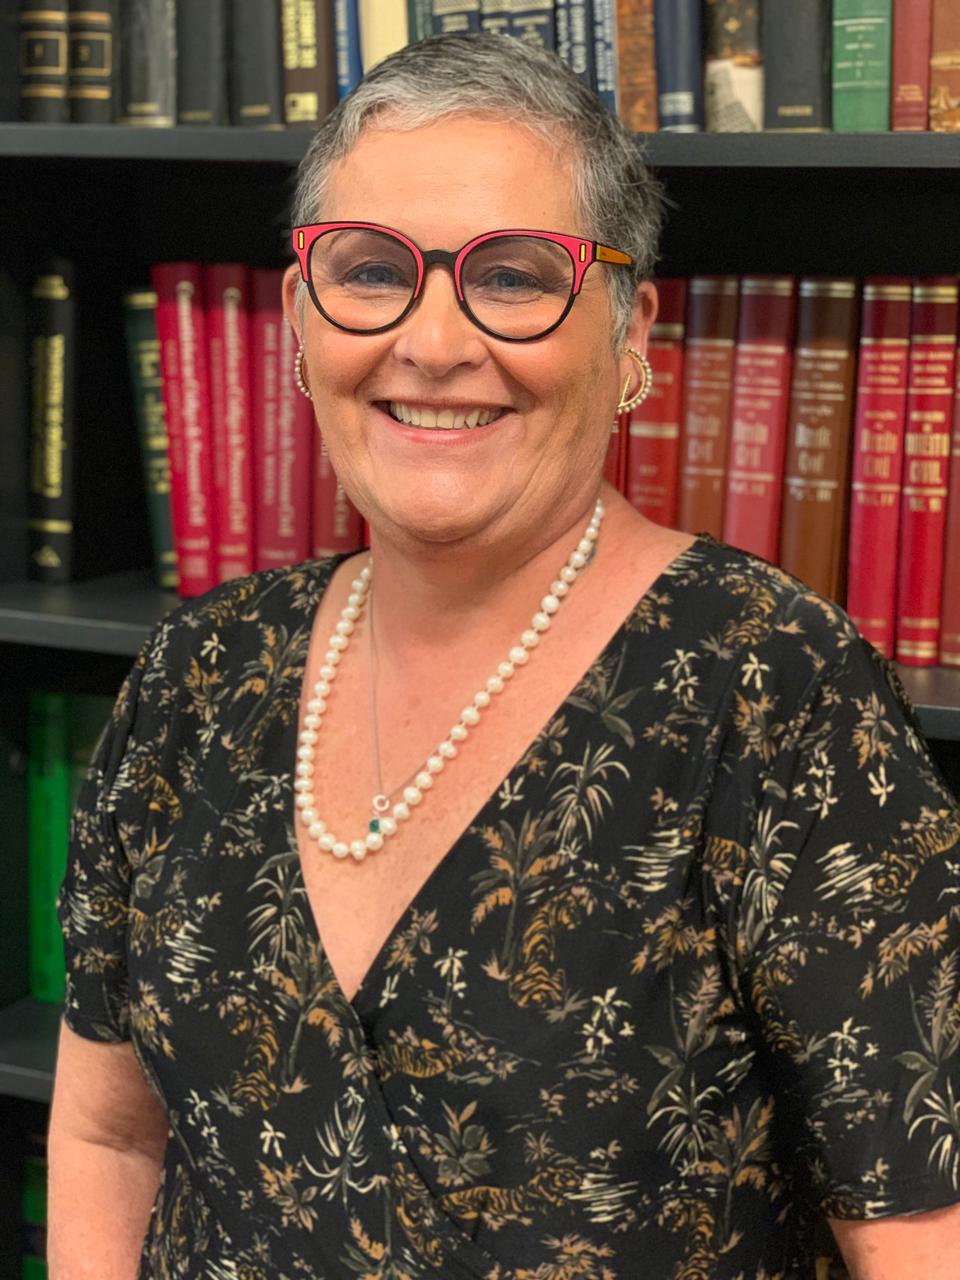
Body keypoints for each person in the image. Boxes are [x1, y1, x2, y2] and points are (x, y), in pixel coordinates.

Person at [48, 32, 960, 1280]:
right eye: (372, 271)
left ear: (630, 334)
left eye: (516, 276)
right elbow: (107, 1133)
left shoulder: (775, 687)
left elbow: (923, 1232)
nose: (433, 343)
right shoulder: (196, 675)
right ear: (302, 322)